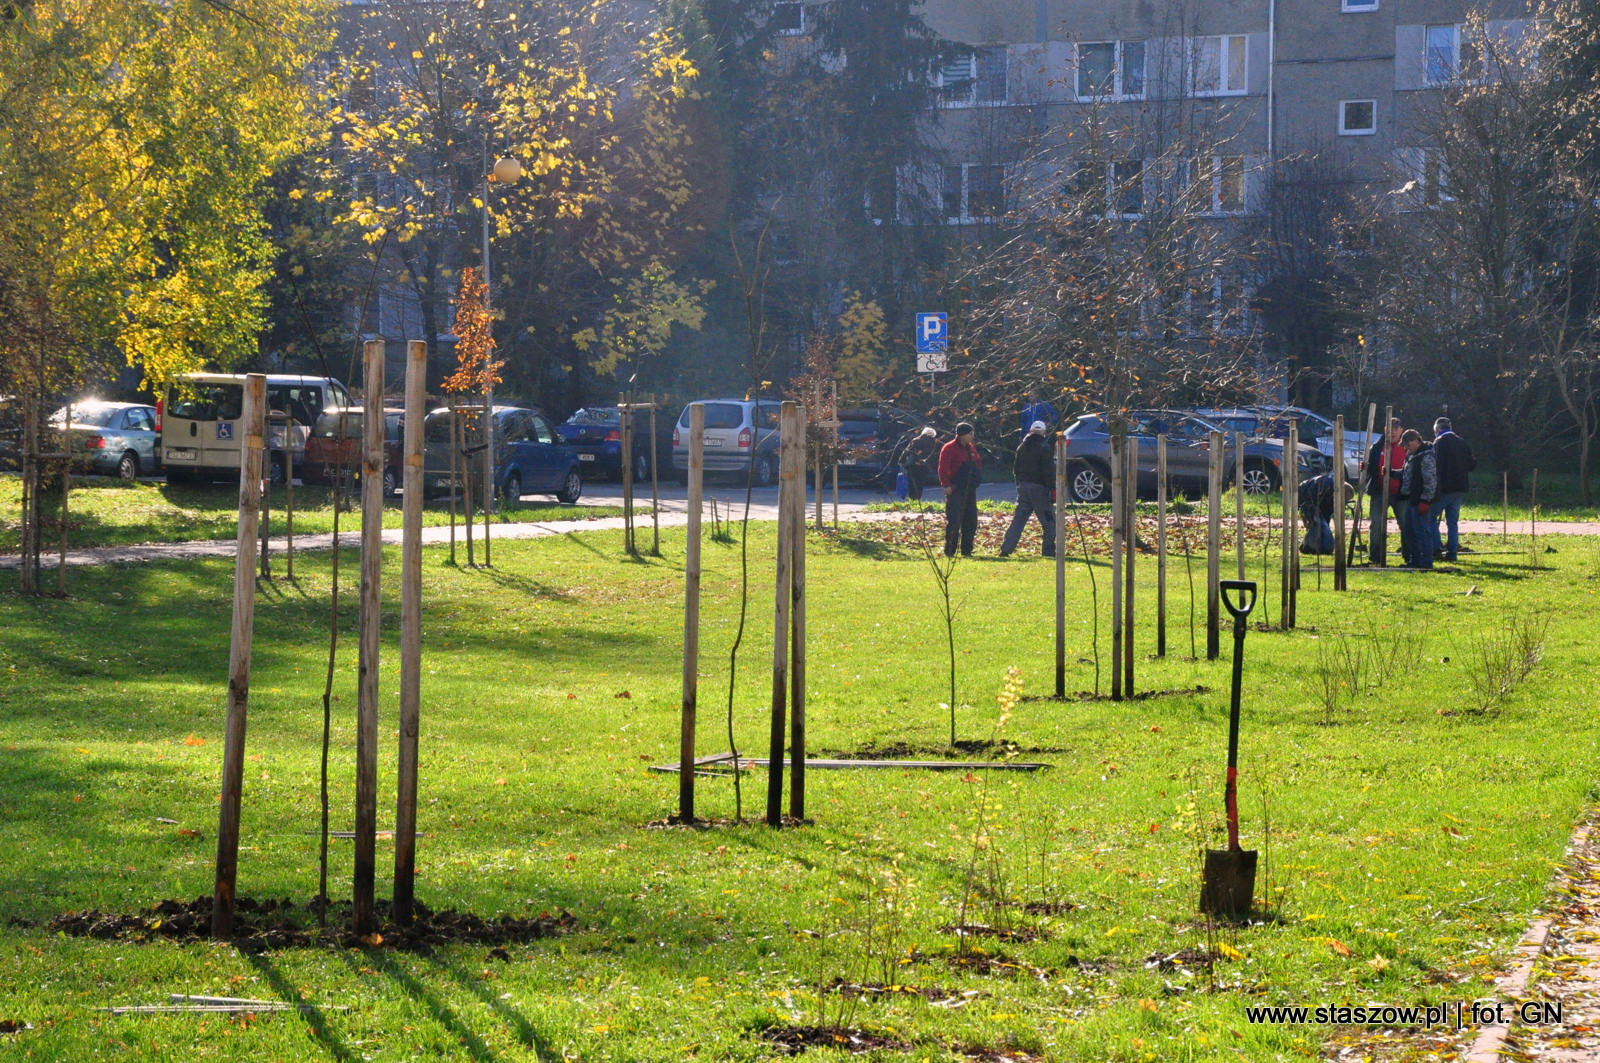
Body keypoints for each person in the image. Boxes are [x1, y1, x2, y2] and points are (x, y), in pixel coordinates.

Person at [1000, 421, 1056, 558]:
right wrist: (1052, 489)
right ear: (1043, 432)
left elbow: (1016, 469)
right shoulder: (1045, 448)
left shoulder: (1021, 447)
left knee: (1018, 521)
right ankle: (1048, 552)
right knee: (1049, 522)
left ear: (1031, 431)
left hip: (1023, 488)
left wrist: (1019, 485)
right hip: (1040, 490)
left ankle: (1006, 549)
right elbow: (1047, 472)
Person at [1430, 417, 1476, 561]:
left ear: (1437, 429)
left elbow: (1436, 466)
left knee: (1430, 516)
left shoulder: (1439, 442)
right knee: (1452, 522)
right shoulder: (1462, 442)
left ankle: (1436, 548)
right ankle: (1452, 553)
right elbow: (1472, 464)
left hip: (1445, 488)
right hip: (1460, 487)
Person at [1363, 418, 1406, 565]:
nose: (1393, 432)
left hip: (1401, 494)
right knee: (1376, 525)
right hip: (1379, 491)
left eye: (1396, 429)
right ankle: (1375, 557)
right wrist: (1365, 467)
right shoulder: (1377, 446)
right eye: (1390, 429)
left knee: (1406, 524)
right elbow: (1371, 467)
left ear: (1401, 430)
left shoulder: (1407, 446)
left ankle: (1409, 556)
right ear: (1385, 430)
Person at [938, 422, 983, 557]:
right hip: (955, 488)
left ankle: (967, 550)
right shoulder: (949, 448)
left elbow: (978, 464)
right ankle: (950, 551)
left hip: (969, 489)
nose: (972, 436)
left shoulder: (971, 448)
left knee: (971, 520)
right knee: (954, 520)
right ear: (962, 434)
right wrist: (945, 485)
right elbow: (942, 468)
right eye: (970, 433)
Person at [1398, 428, 1438, 569]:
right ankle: (1414, 561)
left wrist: (1425, 500)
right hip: (1411, 499)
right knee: (1410, 531)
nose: (1406, 449)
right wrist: (1392, 473)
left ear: (1416, 441)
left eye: (1408, 445)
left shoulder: (1426, 457)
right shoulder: (1412, 456)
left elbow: (1430, 481)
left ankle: (1426, 562)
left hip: (1421, 501)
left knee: (1422, 532)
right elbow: (1407, 475)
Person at [1297, 471, 1349, 555]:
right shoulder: (1325, 485)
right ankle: (1312, 547)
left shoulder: (1333, 492)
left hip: (1314, 500)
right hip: (1306, 497)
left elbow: (1328, 512)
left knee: (1321, 524)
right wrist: (1307, 515)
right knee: (1317, 524)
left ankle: (1317, 547)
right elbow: (1309, 500)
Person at [901, 427, 940, 501]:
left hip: (913, 464)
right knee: (920, 483)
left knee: (912, 482)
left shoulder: (917, 440)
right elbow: (935, 455)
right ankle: (917, 498)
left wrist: (901, 461)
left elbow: (907, 451)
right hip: (925, 465)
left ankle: (912, 499)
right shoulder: (934, 443)